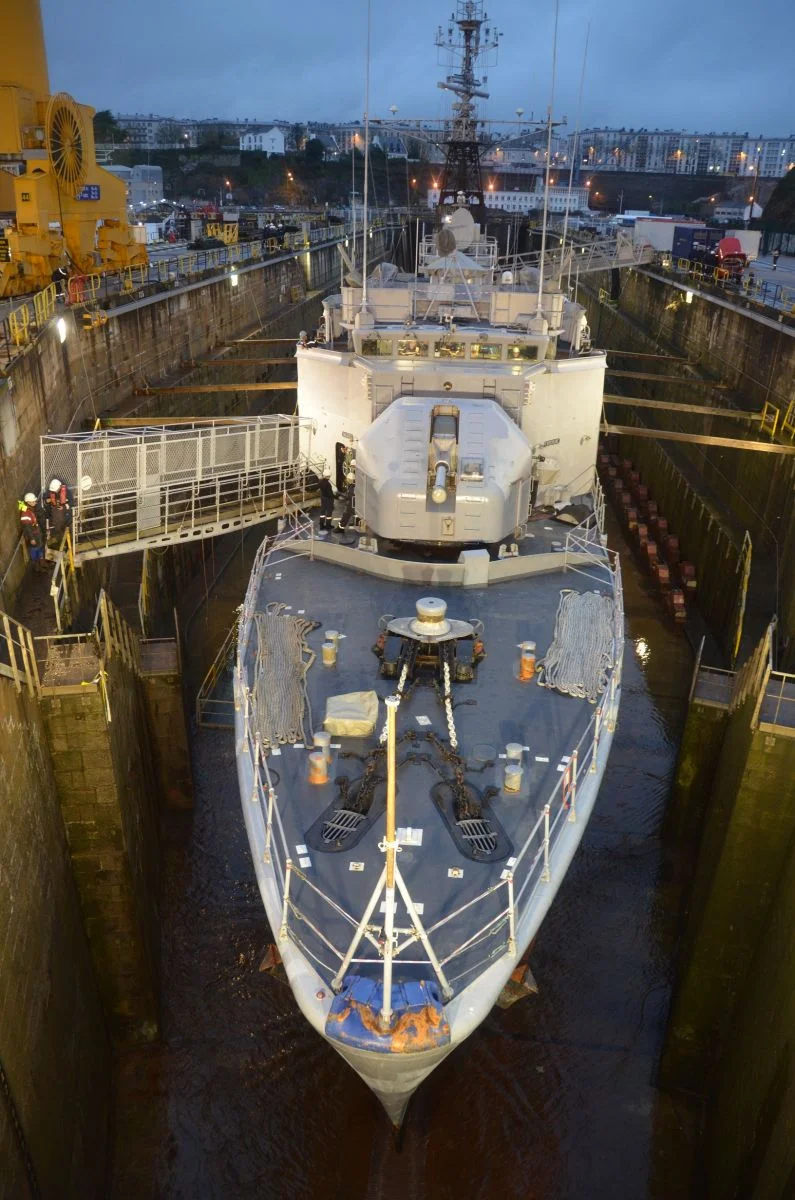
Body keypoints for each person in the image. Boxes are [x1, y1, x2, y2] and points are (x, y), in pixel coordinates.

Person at [19, 493, 47, 571]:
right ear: (28, 502)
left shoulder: (31, 509)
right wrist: (32, 538)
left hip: (37, 532)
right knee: (34, 550)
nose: (35, 502)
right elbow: (27, 527)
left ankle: (42, 562)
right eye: (33, 501)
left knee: (40, 546)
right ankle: (37, 567)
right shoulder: (25, 513)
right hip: (33, 535)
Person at [44, 477, 72, 546]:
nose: (54, 492)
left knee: (66, 529)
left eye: (55, 490)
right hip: (55, 515)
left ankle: (67, 543)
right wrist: (48, 501)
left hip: (65, 514)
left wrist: (64, 507)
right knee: (57, 529)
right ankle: (59, 541)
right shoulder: (50, 492)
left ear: (59, 487)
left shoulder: (66, 492)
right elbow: (45, 501)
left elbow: (72, 502)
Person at [317, 468, 336, 533]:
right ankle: (328, 525)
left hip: (323, 498)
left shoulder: (320, 481)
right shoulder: (328, 484)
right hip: (329, 499)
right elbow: (330, 494)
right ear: (328, 476)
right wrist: (336, 496)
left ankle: (321, 525)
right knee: (329, 513)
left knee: (322, 512)